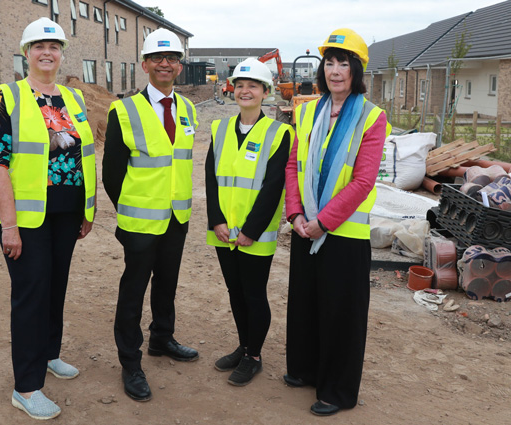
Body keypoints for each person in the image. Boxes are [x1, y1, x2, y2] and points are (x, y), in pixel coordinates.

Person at [0, 17, 96, 420]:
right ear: (26, 53)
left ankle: (48, 354)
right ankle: (26, 387)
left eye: (54, 46)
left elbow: (83, 158)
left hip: (65, 213)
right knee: (31, 296)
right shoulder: (7, 98)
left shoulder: (74, 98)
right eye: (38, 47)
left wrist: (86, 210)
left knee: (55, 287)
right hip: (23, 219)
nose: (47, 53)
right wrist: (9, 226)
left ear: (62, 52)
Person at [283, 28, 390, 416]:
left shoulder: (372, 118)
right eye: (329, 61)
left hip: (343, 233)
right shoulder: (307, 110)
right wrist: (295, 213)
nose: (335, 69)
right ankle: (305, 370)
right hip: (304, 226)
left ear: (356, 69)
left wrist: (323, 222)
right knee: (307, 304)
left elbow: (362, 180)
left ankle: (337, 391)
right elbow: (293, 164)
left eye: (343, 62)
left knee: (340, 313)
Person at [102, 28, 199, 402]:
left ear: (179, 66)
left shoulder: (188, 109)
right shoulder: (123, 110)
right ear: (145, 64)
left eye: (172, 58)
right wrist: (129, 210)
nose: (165, 64)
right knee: (133, 291)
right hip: (140, 221)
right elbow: (112, 174)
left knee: (167, 283)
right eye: (158, 58)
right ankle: (130, 361)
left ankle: (162, 338)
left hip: (177, 218)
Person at [205, 59, 292, 386]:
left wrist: (251, 231)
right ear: (232, 89)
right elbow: (211, 179)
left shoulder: (279, 133)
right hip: (224, 231)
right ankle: (243, 346)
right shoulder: (219, 129)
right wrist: (216, 221)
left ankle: (253, 355)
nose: (245, 90)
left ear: (265, 92)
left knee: (254, 294)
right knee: (235, 291)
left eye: (253, 85)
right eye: (240, 84)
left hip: (256, 235)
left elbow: (273, 188)